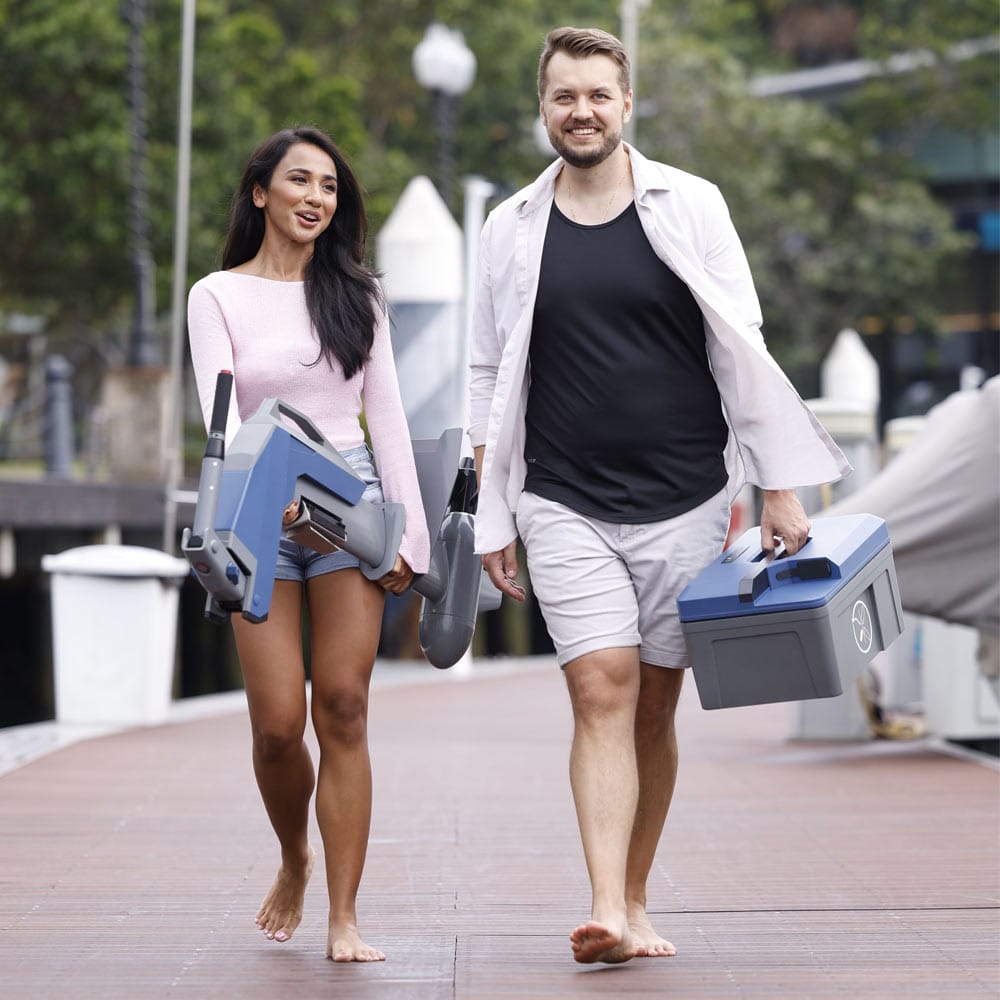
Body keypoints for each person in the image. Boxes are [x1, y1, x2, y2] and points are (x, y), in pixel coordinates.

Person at [468, 27, 850, 965]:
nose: (582, 111)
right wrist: (492, 509)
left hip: (687, 496)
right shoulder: (510, 226)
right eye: (564, 96)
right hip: (561, 493)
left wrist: (778, 490)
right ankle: (604, 906)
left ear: (626, 105)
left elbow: (743, 348)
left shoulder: (693, 204)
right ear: (543, 107)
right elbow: (486, 370)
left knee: (652, 706)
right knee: (601, 685)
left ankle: (636, 898)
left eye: (598, 95)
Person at [187, 126, 430, 963]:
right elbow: (220, 417)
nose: (316, 198)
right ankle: (294, 855)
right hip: (256, 507)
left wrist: (410, 533)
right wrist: (245, 501)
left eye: (328, 186)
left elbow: (387, 420)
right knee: (278, 725)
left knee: (344, 707)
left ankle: (344, 916)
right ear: (261, 192)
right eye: (299, 181)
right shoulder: (216, 295)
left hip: (346, 506)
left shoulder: (357, 297)